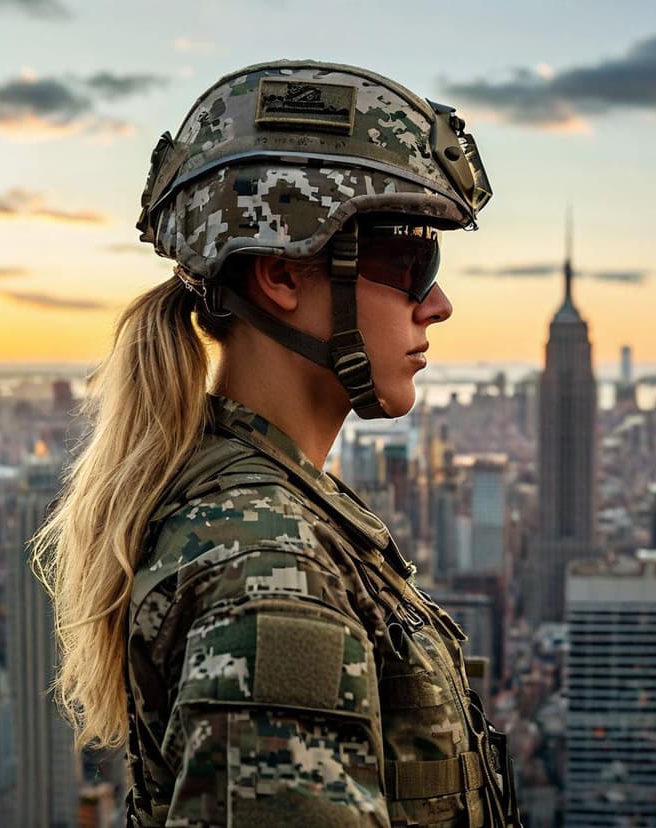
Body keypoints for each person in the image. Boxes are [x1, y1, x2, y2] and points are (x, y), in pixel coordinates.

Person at [33, 60, 522, 827]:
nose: (439, 304)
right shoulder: (265, 566)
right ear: (281, 277)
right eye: (407, 259)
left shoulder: (277, 509)